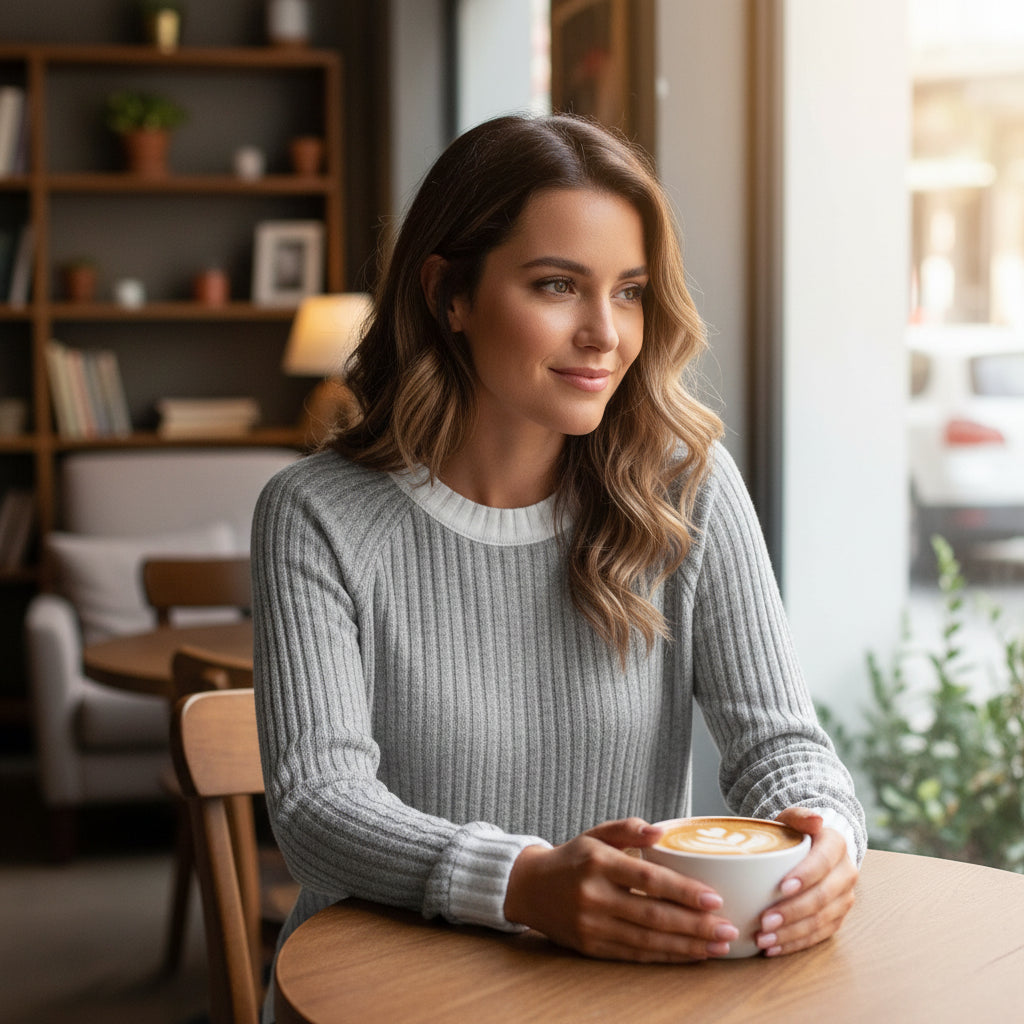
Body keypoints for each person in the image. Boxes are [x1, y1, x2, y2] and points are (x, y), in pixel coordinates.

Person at [252, 112, 864, 1016]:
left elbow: (780, 746)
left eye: (629, 291)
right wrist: (523, 882)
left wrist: (827, 839)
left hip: (619, 991)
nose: (605, 334)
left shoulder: (685, 486)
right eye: (556, 286)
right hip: (378, 995)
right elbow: (319, 806)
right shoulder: (316, 514)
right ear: (448, 294)